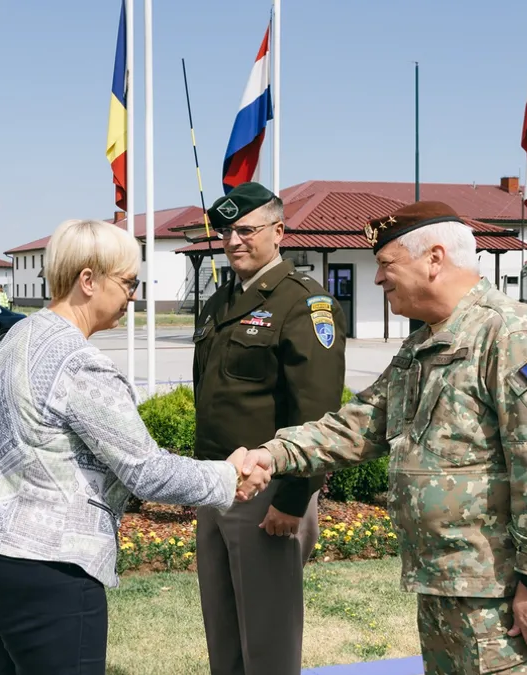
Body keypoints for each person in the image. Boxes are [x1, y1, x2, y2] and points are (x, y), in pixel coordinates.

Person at [238, 201, 527, 675]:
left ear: (434, 258)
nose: (377, 279)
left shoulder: (511, 334)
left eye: (386, 264)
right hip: (452, 582)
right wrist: (274, 454)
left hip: (508, 591)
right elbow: (362, 423)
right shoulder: (425, 343)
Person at [0, 218, 272, 675]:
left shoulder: (19, 335)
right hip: (48, 571)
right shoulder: (81, 365)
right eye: (128, 282)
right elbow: (146, 470)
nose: (133, 295)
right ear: (88, 280)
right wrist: (230, 477)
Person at [191, 181, 347, 675]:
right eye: (226, 232)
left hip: (266, 494)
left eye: (247, 230)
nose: (234, 240)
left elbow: (317, 413)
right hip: (215, 486)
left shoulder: (303, 304)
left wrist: (293, 499)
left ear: (279, 231)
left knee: (268, 637)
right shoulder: (220, 303)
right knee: (223, 629)